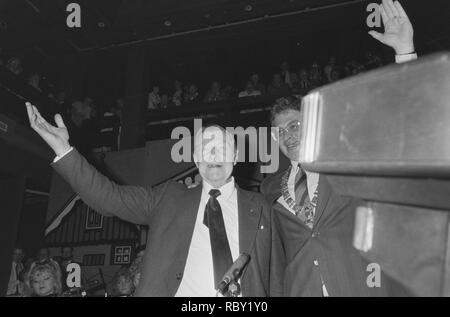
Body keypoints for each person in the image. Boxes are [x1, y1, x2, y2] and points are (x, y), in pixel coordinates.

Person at [24, 104, 282, 297]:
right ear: (195, 158)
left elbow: (279, 275)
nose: (214, 152)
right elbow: (109, 197)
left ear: (235, 156)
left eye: (222, 147)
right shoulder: (168, 198)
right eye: (205, 147)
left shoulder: (261, 207)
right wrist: (64, 151)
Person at [261, 0, 417, 296]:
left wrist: (405, 53)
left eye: (294, 126)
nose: (287, 136)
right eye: (279, 132)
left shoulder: (349, 162)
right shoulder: (268, 190)